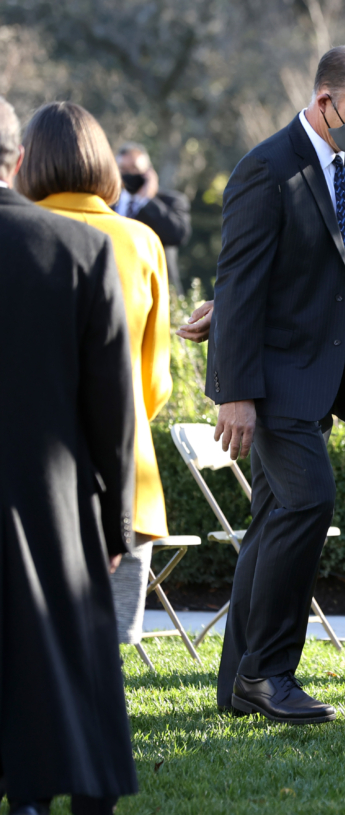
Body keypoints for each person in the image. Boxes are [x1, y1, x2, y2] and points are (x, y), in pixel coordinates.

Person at [206, 44, 345, 724]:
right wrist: (234, 391)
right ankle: (270, 673)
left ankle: (239, 683)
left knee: (271, 522)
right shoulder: (268, 167)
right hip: (273, 383)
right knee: (310, 502)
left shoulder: (336, 164)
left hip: (312, 378)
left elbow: (286, 276)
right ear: (323, 102)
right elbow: (241, 278)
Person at [0, 94, 138, 815]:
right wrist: (116, 520)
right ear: (17, 161)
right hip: (50, 494)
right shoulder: (83, 248)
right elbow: (111, 405)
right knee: (62, 657)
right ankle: (52, 788)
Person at [20, 102, 174, 651]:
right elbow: (156, 382)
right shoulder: (141, 241)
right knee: (107, 650)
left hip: (26, 471)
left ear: (23, 161)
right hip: (126, 476)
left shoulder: (16, 239)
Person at [115, 142, 192, 295]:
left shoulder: (172, 201)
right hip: (117, 289)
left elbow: (177, 235)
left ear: (148, 172)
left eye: (135, 169)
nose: (129, 173)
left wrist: (146, 201)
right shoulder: (106, 203)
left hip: (158, 291)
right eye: (124, 169)